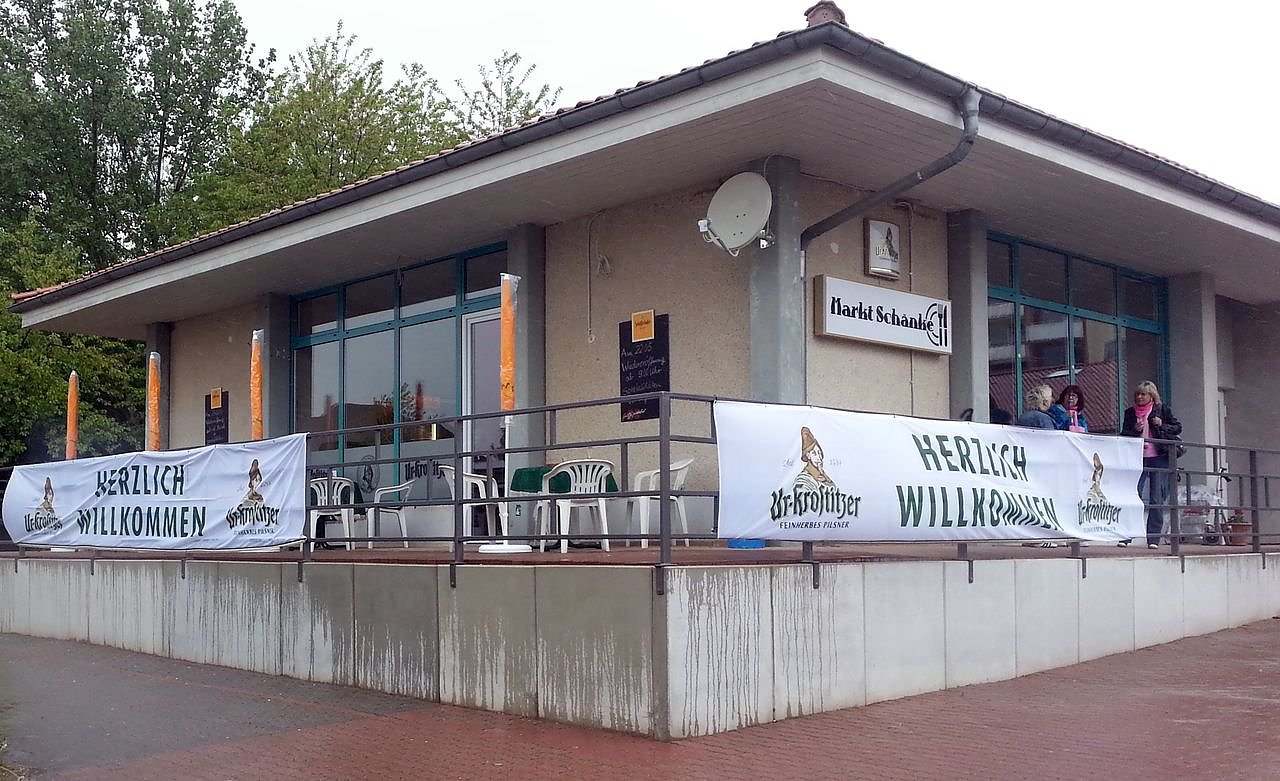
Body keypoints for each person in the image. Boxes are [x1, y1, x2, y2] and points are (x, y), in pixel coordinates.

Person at [1118, 381, 1181, 549]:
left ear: (1151, 396)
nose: (1139, 397)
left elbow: (1177, 427)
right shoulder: (1130, 413)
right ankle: (1126, 535)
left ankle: (1153, 538)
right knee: (1132, 495)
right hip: (1137, 458)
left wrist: (1162, 425)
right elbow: (1124, 434)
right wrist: (1135, 429)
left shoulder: (1162, 410)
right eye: (1137, 394)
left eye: (1143, 394)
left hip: (1158, 457)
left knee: (1156, 498)